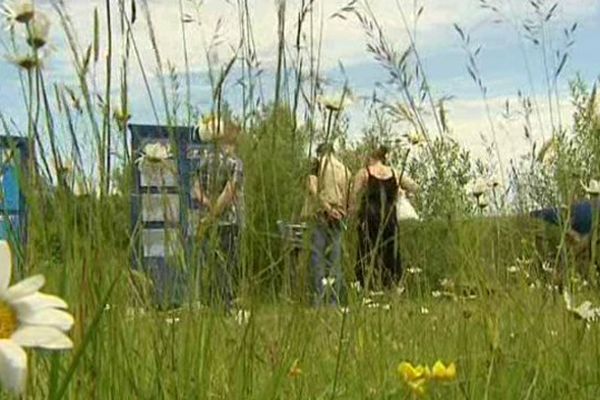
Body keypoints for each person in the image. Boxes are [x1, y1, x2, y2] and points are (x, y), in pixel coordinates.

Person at [350, 145, 418, 289]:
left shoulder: (365, 173)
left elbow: (353, 196)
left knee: (367, 253)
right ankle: (392, 287)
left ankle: (367, 287)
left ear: (371, 158)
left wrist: (353, 215)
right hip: (390, 219)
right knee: (390, 254)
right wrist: (404, 195)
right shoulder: (394, 172)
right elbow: (414, 186)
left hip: (369, 219)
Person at [192, 122, 244, 309]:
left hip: (205, 221)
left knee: (210, 263)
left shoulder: (202, 161)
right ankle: (226, 304)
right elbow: (229, 193)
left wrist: (207, 205)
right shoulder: (234, 162)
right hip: (228, 221)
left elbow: (196, 189)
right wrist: (215, 212)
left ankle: (209, 302)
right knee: (228, 263)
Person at [303, 143, 351, 305]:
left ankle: (319, 298)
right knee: (334, 259)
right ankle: (333, 300)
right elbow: (347, 196)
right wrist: (340, 211)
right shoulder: (345, 170)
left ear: (320, 152)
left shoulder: (317, 165)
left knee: (317, 257)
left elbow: (313, 190)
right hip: (338, 217)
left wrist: (328, 209)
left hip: (321, 215)